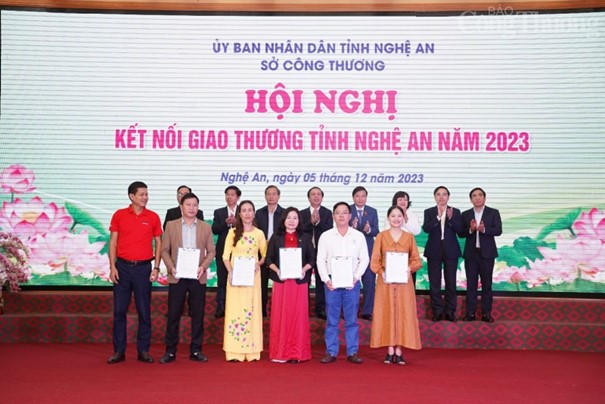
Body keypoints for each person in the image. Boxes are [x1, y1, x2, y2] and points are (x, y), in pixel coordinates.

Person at [107, 181, 162, 364]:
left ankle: (143, 350)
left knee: (144, 311)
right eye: (142, 194)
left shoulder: (153, 216)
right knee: (119, 311)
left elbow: (159, 243)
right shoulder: (119, 215)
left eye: (147, 194)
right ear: (132, 196)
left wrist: (156, 267)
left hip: (143, 269)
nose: (145, 197)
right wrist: (112, 267)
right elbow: (113, 242)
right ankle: (119, 351)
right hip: (122, 268)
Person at [159, 192, 216, 364]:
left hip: (197, 276)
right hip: (178, 275)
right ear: (181, 207)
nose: (192, 208)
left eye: (195, 205)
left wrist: (203, 266)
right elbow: (164, 250)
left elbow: (211, 251)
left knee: (197, 314)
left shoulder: (205, 227)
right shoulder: (171, 225)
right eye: (188, 205)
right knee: (173, 314)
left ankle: (196, 350)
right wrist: (171, 267)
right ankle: (170, 351)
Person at [317, 202, 369, 364]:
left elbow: (364, 259)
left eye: (344, 212)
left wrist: (356, 277)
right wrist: (326, 279)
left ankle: (352, 352)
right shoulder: (326, 236)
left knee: (351, 320)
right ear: (333, 216)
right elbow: (320, 260)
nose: (341, 215)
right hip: (332, 283)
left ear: (350, 216)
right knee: (331, 320)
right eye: (338, 213)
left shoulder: (358, 236)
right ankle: (331, 352)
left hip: (351, 283)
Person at [370, 206, 423, 365]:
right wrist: (382, 272)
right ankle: (389, 350)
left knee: (403, 313)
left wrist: (409, 269)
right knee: (386, 312)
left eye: (399, 216)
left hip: (404, 283)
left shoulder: (409, 237)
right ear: (388, 218)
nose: (396, 219)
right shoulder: (381, 236)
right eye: (393, 216)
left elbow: (416, 261)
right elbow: (374, 261)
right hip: (385, 282)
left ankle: (399, 350)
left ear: (404, 218)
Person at [265, 207, 315, 363]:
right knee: (281, 317)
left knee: (298, 318)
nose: (292, 221)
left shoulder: (305, 237)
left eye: (295, 218)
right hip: (282, 283)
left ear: (299, 221)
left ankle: (297, 353)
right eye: (289, 217)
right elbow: (268, 259)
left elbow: (312, 259)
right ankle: (281, 352)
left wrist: (304, 269)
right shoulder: (276, 237)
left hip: (299, 284)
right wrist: (277, 270)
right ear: (283, 220)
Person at [222, 200, 268, 362]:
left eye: (250, 210)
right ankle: (234, 352)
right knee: (235, 311)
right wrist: (231, 272)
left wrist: (258, 264)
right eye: (244, 210)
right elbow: (225, 256)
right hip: (235, 278)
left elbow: (265, 255)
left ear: (254, 213)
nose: (247, 213)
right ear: (239, 214)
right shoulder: (232, 233)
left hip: (252, 279)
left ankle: (252, 350)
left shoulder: (259, 234)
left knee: (252, 311)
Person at [458, 187, 502, 322]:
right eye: (474, 196)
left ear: (484, 197)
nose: (477, 198)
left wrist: (484, 230)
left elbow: (498, 230)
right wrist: (471, 230)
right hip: (471, 255)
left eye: (480, 195)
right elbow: (461, 233)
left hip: (487, 255)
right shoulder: (465, 214)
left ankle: (486, 314)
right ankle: (470, 314)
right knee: (471, 285)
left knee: (486, 285)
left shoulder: (493, 212)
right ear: (471, 199)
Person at [422, 186, 463, 322]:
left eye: (444, 194)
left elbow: (460, 231)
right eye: (438, 194)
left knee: (451, 282)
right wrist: (438, 217)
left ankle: (450, 312)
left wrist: (451, 218)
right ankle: (437, 312)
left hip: (451, 250)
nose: (441, 197)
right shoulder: (429, 211)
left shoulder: (455, 211)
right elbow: (426, 229)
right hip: (434, 250)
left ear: (448, 197)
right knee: (435, 283)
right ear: (435, 197)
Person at [299, 186, 333, 319]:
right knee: (304, 281)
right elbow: (299, 230)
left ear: (322, 197)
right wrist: (310, 222)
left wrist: (318, 223)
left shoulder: (327, 213)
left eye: (318, 194)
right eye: (313, 194)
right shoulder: (301, 213)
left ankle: (320, 309)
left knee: (321, 280)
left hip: (322, 252)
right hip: (305, 252)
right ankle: (304, 309)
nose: (316, 196)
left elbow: (329, 229)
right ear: (308, 198)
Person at [349, 186, 379, 321]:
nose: (360, 199)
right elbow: (341, 228)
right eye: (357, 196)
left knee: (369, 281)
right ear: (353, 197)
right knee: (350, 281)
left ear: (366, 197)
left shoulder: (372, 211)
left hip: (367, 251)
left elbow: (376, 230)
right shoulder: (347, 210)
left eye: (363, 196)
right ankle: (351, 310)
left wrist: (368, 230)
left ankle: (367, 311)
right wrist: (352, 228)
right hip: (351, 252)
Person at [212, 185, 241, 319]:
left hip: (239, 253)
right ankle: (221, 307)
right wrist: (226, 223)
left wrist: (237, 222)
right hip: (222, 252)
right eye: (227, 194)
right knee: (222, 281)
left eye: (232, 195)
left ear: (238, 197)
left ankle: (236, 307)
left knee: (238, 280)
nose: (229, 197)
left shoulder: (243, 210)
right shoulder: (219, 212)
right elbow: (215, 229)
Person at [255, 185, 284, 317]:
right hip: (261, 252)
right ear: (265, 196)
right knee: (261, 283)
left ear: (278, 196)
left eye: (274, 194)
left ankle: (278, 311)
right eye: (268, 194)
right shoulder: (259, 213)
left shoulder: (284, 213)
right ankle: (262, 310)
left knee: (279, 283)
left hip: (278, 253)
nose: (271, 196)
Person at [384, 191, 421, 286]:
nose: (403, 201)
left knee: (409, 280)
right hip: (393, 251)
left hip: (408, 251)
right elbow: (386, 231)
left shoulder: (413, 215)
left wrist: (406, 219)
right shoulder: (390, 214)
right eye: (400, 199)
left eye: (405, 200)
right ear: (395, 201)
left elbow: (417, 231)